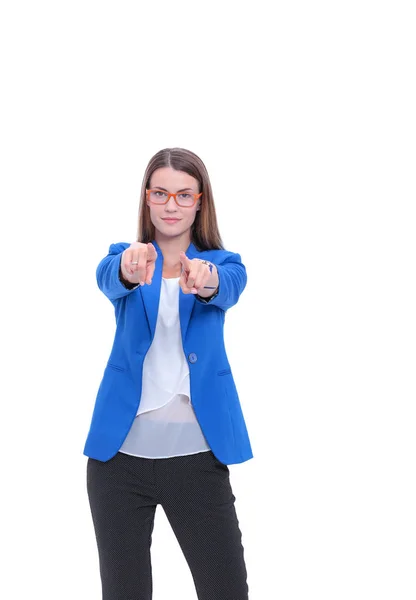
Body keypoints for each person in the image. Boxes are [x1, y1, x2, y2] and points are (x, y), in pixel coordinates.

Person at [84, 147, 253, 600]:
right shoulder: (126, 258)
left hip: (196, 459)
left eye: (183, 194)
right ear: (148, 198)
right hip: (118, 462)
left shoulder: (224, 263)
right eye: (161, 193)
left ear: (199, 201)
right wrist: (125, 268)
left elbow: (228, 287)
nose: (172, 204)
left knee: (225, 590)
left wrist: (207, 279)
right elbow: (107, 277)